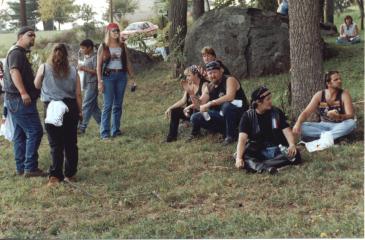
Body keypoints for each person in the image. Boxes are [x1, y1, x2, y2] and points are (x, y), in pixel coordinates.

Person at [34, 43, 82, 186]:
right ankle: (70, 174)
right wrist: (80, 111)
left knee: (56, 144)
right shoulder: (73, 70)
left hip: (52, 107)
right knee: (71, 143)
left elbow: (36, 85)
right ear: (66, 55)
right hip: (70, 107)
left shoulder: (43, 67)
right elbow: (78, 93)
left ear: (51, 53)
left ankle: (55, 176)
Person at [3, 26, 45, 177]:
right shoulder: (16, 53)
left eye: (34, 35)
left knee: (19, 135)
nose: (33, 37)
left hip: (14, 100)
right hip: (20, 100)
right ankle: (30, 168)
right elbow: (14, 72)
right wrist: (23, 92)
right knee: (35, 131)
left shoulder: (19, 52)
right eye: (30, 35)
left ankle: (21, 167)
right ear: (20, 36)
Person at [235, 86, 301, 174]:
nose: (271, 102)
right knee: (242, 155)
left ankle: (260, 166)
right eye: (268, 99)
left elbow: (287, 131)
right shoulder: (247, 116)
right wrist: (239, 158)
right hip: (259, 151)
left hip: (278, 149)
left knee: (296, 155)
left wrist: (292, 144)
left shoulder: (276, 112)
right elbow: (242, 139)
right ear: (259, 102)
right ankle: (265, 167)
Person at [190, 61, 249, 145]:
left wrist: (210, 103)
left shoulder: (229, 79)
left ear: (221, 71)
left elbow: (230, 96)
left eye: (214, 72)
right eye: (210, 73)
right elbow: (200, 104)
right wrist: (191, 94)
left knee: (227, 106)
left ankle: (230, 136)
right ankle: (228, 132)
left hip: (239, 113)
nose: (212, 75)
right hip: (222, 114)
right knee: (195, 118)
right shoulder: (209, 86)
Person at [97, 22, 136, 140]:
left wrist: (132, 78)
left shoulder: (122, 45)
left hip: (121, 76)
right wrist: (100, 81)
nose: (116, 33)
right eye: (114, 31)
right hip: (108, 77)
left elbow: (127, 62)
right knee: (108, 105)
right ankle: (104, 133)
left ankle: (116, 130)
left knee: (118, 105)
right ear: (108, 32)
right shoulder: (103, 46)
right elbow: (98, 66)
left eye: (118, 31)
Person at [293, 71, 356, 142]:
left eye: (340, 79)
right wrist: (298, 123)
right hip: (323, 126)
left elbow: (351, 116)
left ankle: (323, 138)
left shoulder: (344, 94)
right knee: (301, 126)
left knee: (351, 123)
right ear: (328, 83)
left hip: (339, 125)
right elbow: (306, 112)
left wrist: (338, 116)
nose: (340, 81)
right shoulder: (319, 95)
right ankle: (332, 137)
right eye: (336, 80)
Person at [164, 65, 208, 142]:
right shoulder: (190, 84)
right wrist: (170, 107)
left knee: (195, 108)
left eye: (189, 75)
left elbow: (200, 104)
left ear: (196, 75)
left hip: (202, 113)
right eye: (186, 76)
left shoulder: (204, 85)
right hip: (189, 112)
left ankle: (195, 134)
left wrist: (191, 93)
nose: (187, 78)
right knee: (175, 111)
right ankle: (171, 137)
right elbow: (183, 101)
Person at [77, 39, 101, 134]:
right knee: (94, 108)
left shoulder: (95, 57)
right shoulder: (87, 57)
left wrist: (83, 68)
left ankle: (82, 127)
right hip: (87, 83)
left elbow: (97, 71)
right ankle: (104, 124)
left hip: (93, 83)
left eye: (83, 48)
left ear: (89, 47)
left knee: (86, 105)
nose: (81, 50)